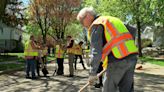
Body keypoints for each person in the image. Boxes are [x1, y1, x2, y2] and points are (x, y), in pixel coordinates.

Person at [77, 7, 138, 92]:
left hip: (116, 60)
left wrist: (92, 73)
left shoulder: (97, 24)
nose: (82, 25)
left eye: (81, 21)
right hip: (132, 57)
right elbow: (132, 30)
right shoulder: (113, 20)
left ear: (88, 16)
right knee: (126, 89)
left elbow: (96, 51)